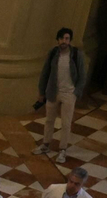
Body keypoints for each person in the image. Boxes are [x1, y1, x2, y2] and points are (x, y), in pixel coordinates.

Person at [36, 27, 87, 162]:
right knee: (49, 120)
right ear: (58, 40)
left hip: (69, 94)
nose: (64, 41)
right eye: (62, 38)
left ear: (70, 40)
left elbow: (82, 75)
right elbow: (45, 73)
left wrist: (76, 92)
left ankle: (62, 149)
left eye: (67, 39)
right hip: (53, 92)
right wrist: (42, 92)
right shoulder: (53, 53)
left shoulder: (76, 55)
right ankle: (46, 144)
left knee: (66, 123)